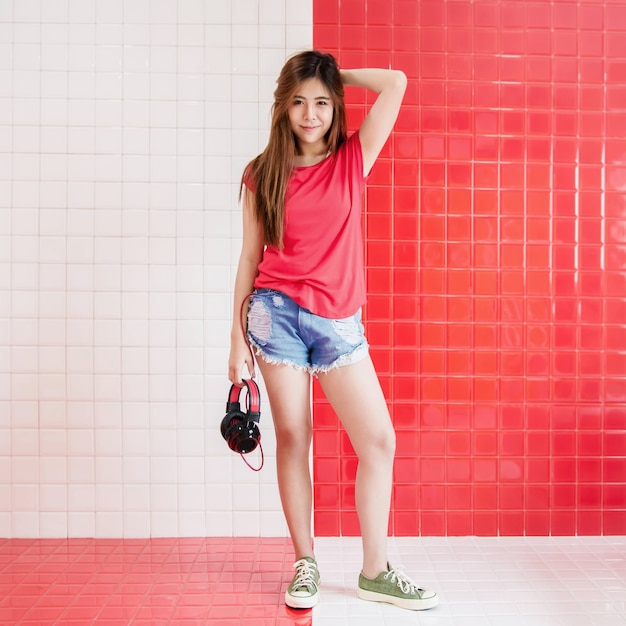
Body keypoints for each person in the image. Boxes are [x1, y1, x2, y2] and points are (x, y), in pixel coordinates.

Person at [228, 50, 438, 612]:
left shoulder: (352, 159)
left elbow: (396, 80)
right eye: (298, 101)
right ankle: (305, 562)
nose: (311, 113)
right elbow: (249, 259)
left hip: (338, 321)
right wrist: (235, 345)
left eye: (321, 102)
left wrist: (328, 72)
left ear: (334, 105)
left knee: (379, 441)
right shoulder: (261, 172)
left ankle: (376, 570)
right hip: (274, 317)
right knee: (295, 439)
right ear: (283, 107)